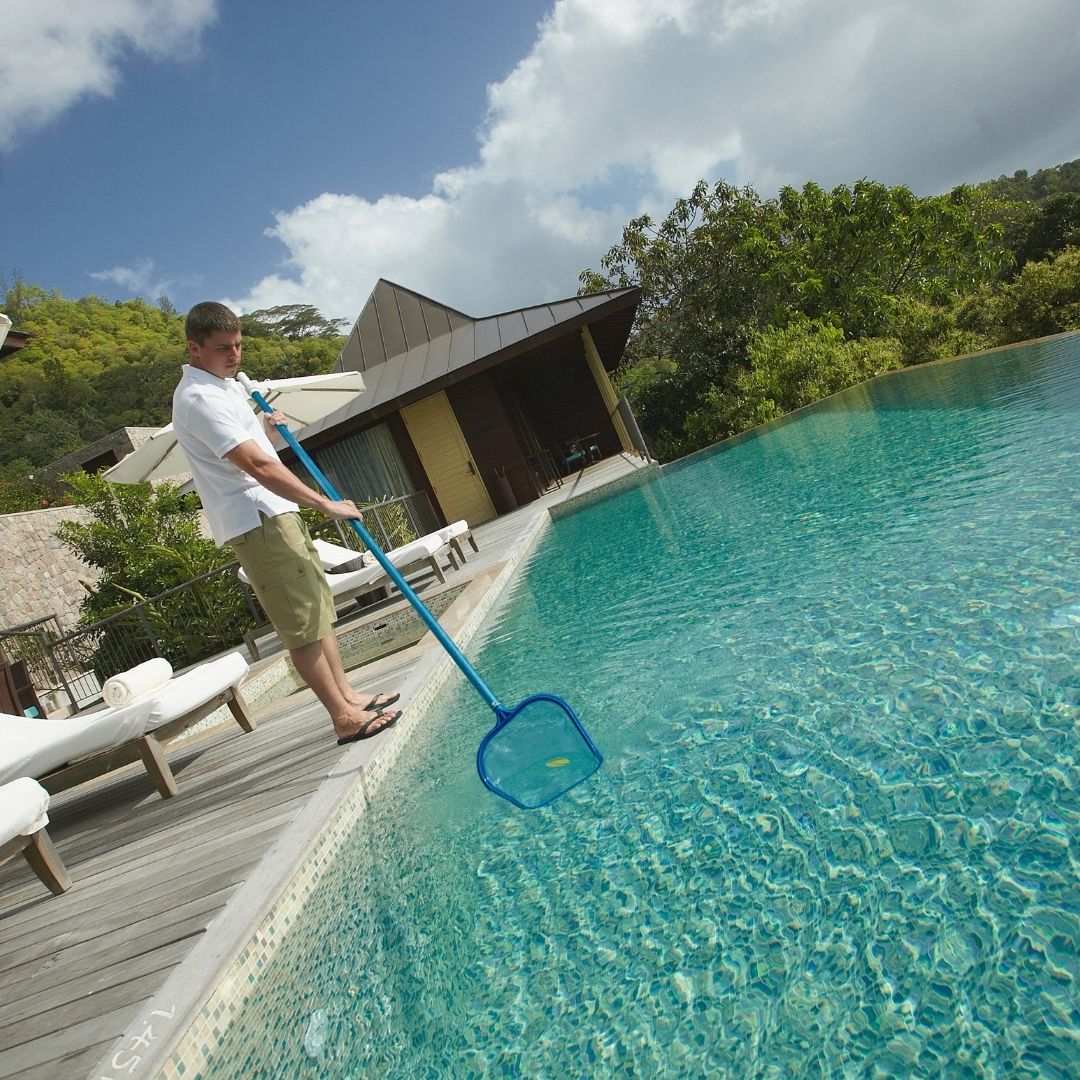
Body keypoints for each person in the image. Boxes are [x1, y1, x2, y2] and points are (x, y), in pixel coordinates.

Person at [173, 301, 401, 744]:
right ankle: (343, 717)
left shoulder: (224, 389)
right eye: (223, 348)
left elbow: (253, 450)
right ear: (195, 348)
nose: (234, 355)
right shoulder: (199, 397)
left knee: (317, 612)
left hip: (275, 514)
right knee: (300, 625)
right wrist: (325, 504)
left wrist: (267, 430)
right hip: (257, 520)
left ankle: (350, 697)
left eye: (238, 345)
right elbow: (256, 466)